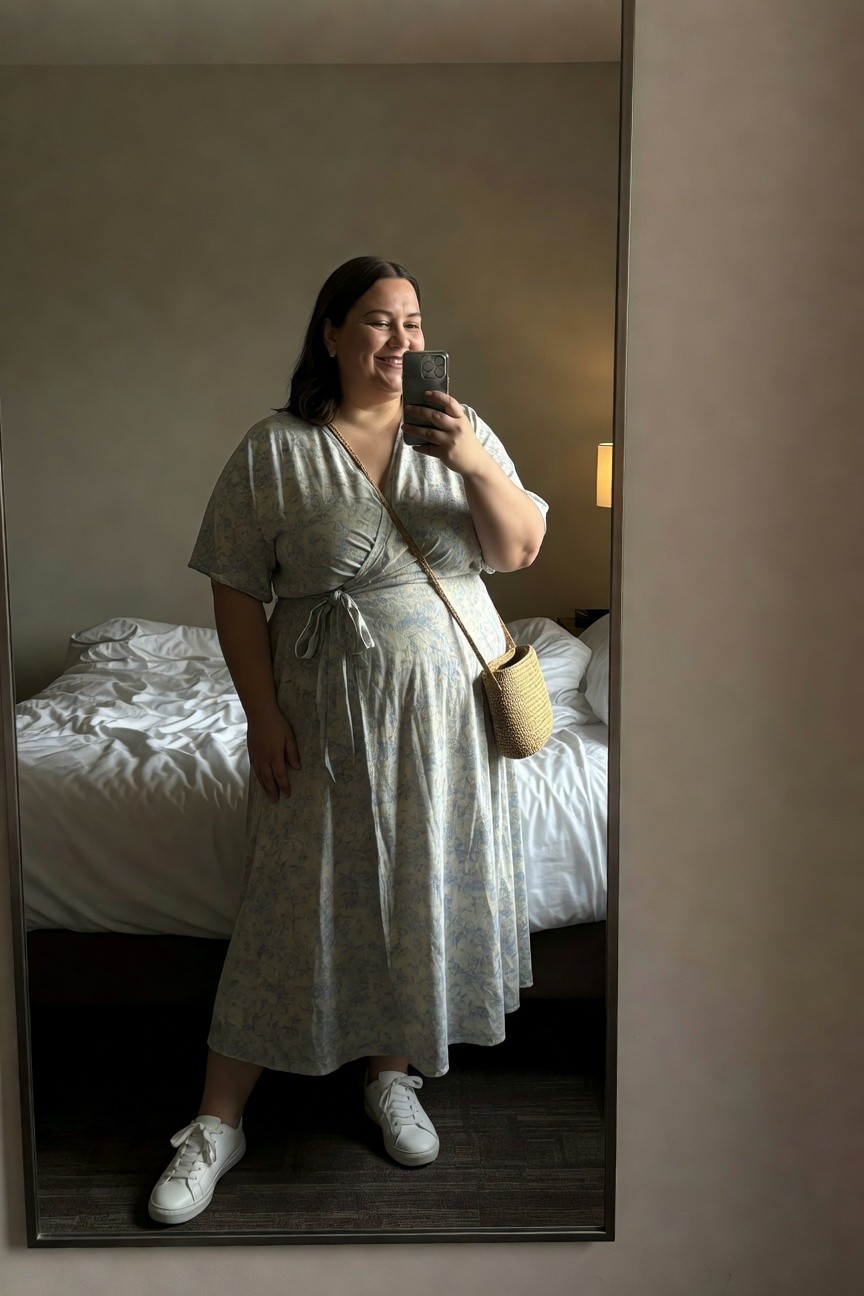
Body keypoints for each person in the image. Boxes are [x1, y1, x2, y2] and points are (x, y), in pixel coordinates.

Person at [148, 255, 548, 1225]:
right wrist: (261, 713)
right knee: (291, 901)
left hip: (448, 724)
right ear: (331, 334)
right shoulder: (275, 449)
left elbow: (519, 549)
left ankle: (390, 1076)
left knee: (415, 887)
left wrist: (473, 461)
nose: (400, 340)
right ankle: (216, 1122)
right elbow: (234, 589)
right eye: (377, 320)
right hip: (324, 724)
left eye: (413, 322)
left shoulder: (458, 431)